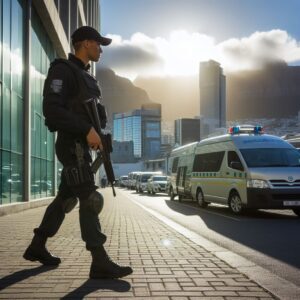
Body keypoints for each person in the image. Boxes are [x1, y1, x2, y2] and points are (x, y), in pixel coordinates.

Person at [23, 26, 133, 279]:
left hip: (84, 147)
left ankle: (37, 245)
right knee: (91, 198)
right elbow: (52, 110)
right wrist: (86, 129)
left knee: (66, 198)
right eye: (98, 44)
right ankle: (99, 261)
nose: (101, 49)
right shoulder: (62, 70)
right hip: (71, 146)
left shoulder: (88, 78)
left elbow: (94, 116)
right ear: (84, 43)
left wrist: (99, 136)